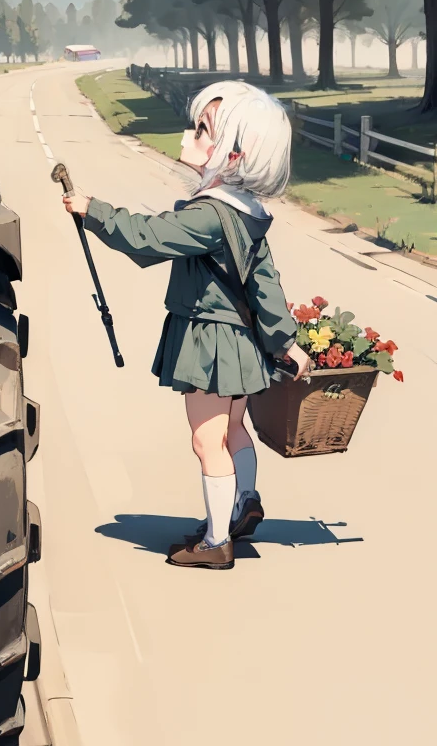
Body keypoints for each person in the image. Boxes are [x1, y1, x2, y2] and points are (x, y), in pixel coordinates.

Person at [62, 81, 311, 570]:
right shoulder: (248, 216)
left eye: (202, 130)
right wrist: (285, 341)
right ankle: (242, 505)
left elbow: (150, 238)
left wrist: (96, 212)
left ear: (235, 156)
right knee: (235, 430)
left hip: (210, 342)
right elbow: (266, 285)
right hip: (241, 342)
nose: (187, 136)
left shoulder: (209, 215)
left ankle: (216, 542)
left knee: (206, 441)